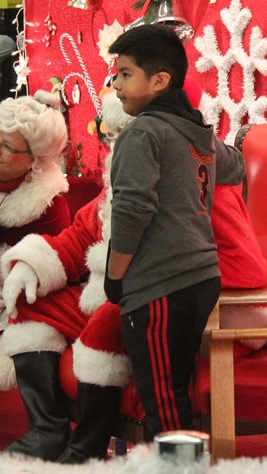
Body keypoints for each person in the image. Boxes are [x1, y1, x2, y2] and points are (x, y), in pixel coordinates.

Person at [0, 58, 261, 463]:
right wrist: (35, 262)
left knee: (110, 322)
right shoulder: (124, 177)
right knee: (28, 302)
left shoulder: (206, 181)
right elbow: (83, 233)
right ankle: (46, 430)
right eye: (117, 135)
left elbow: (245, 268)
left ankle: (88, 447)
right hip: (114, 292)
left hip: (177, 308)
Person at [103, 24, 245, 443]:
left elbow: (132, 211)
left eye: (126, 74)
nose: (116, 84)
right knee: (173, 396)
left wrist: (115, 276)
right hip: (201, 278)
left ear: (159, 80)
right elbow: (234, 165)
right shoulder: (193, 131)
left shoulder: (144, 132)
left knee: (165, 407)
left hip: (162, 284)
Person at [0, 90, 71, 437]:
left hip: (13, 286)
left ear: (35, 159)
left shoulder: (49, 200)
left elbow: (52, 259)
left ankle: (41, 426)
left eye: (7, 146)